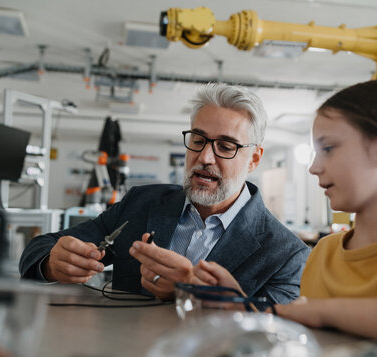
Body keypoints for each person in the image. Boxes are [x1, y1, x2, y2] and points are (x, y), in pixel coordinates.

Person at [192, 79, 377, 357]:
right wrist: (244, 307)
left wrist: (321, 312)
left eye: (328, 148)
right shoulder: (324, 253)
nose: (315, 167)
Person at [19, 83, 310, 305]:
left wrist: (193, 293)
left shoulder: (285, 254)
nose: (206, 157)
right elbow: (41, 248)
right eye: (198, 140)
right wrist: (52, 263)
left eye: (226, 146)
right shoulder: (141, 204)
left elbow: (275, 332)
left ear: (254, 159)